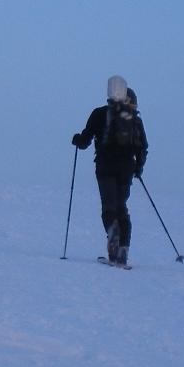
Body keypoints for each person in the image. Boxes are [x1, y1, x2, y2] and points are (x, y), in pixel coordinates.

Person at [72, 75, 148, 266]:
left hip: (105, 165)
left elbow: (85, 140)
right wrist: (138, 168)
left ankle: (112, 234)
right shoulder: (134, 120)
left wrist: (77, 140)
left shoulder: (99, 114)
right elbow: (143, 147)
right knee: (122, 208)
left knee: (109, 206)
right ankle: (123, 250)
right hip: (126, 169)